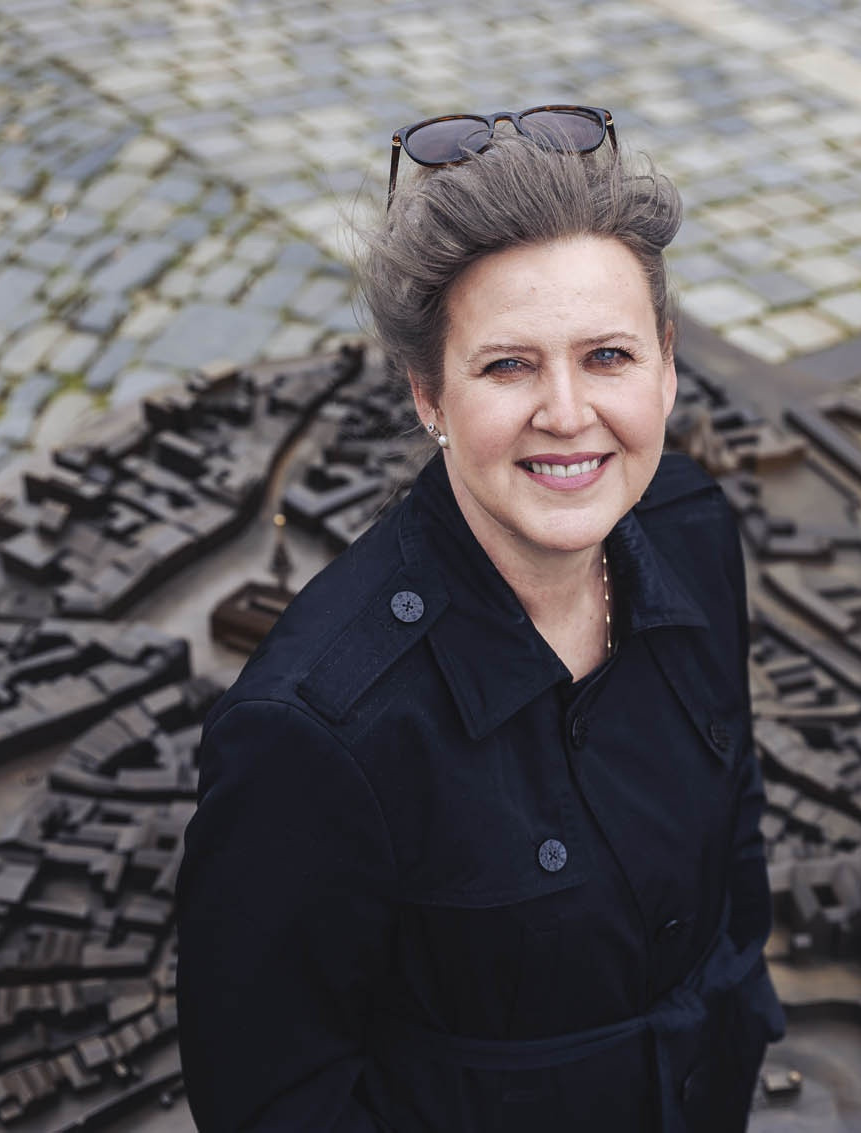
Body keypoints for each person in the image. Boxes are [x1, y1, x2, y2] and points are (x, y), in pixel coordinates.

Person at [176, 106, 783, 1132]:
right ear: (428, 395)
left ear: (667, 362)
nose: (567, 413)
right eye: (508, 365)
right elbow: (272, 1099)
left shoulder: (692, 529)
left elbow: (734, 835)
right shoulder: (312, 731)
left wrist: (734, 1013)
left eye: (608, 356)